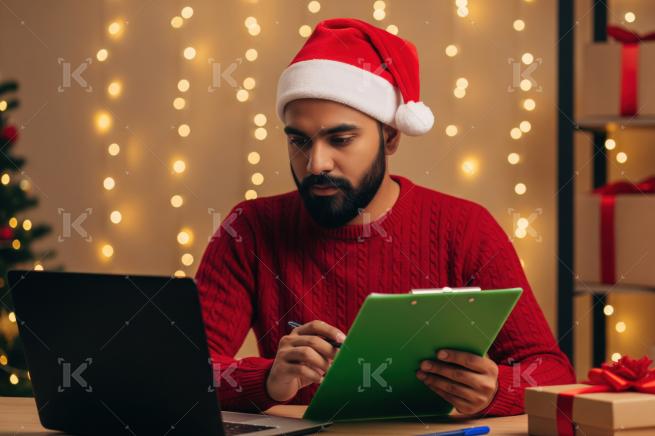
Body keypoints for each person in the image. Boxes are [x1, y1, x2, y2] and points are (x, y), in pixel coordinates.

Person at [195, 17, 574, 417]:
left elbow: (552, 373)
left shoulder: (466, 228)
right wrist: (269, 379)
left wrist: (496, 390)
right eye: (299, 141)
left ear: (391, 137)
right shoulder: (249, 228)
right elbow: (185, 368)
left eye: (340, 139)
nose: (316, 163)